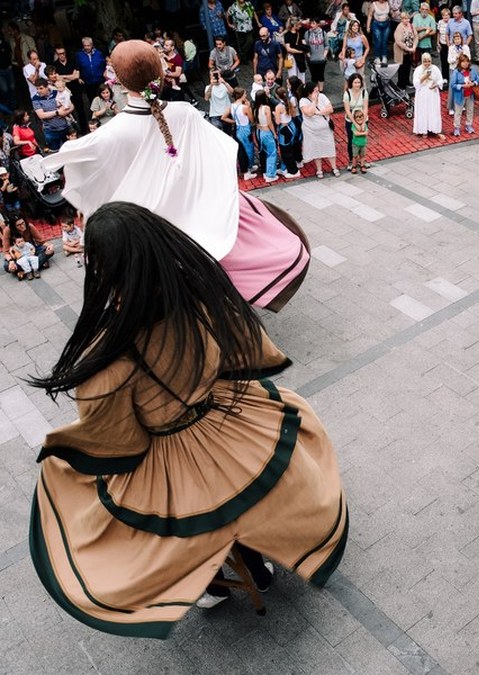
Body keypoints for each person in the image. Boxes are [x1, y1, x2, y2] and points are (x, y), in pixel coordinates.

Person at [28, 202, 348, 637]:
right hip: (224, 422)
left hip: (169, 449)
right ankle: (262, 557)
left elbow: (119, 442)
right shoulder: (204, 302)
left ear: (102, 269)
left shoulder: (108, 360)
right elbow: (243, 355)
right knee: (264, 464)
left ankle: (212, 582)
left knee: (100, 497)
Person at [42, 40, 310, 313]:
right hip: (193, 210)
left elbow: (76, 163)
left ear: (119, 82)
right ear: (159, 74)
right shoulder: (184, 112)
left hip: (150, 226)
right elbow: (218, 154)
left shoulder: (112, 132)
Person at [298, 81, 340, 178]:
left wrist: (318, 113)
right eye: (315, 91)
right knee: (317, 150)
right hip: (312, 131)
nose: (317, 93)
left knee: (329, 147)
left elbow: (330, 109)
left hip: (325, 129)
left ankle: (334, 167)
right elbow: (308, 113)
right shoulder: (303, 101)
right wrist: (313, 101)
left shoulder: (322, 97)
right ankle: (319, 169)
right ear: (309, 92)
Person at [222, 86, 257, 179]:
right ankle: (247, 171)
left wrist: (234, 121)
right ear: (241, 95)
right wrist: (249, 107)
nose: (246, 95)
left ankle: (247, 168)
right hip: (245, 130)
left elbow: (223, 117)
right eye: (245, 94)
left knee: (241, 149)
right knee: (248, 149)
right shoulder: (244, 107)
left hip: (237, 129)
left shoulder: (232, 106)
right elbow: (252, 119)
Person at [32, 78, 73, 152]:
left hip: (65, 127)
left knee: (70, 149)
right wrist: (57, 112)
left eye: (41, 88)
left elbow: (71, 106)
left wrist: (65, 112)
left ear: (47, 87)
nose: (39, 91)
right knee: (55, 152)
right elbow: (41, 115)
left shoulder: (57, 92)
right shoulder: (35, 99)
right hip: (51, 130)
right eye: (37, 89)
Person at [412, 52, 446, 138]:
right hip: (422, 93)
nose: (427, 63)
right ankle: (424, 130)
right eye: (425, 61)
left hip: (432, 93)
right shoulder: (418, 69)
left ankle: (434, 129)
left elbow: (440, 80)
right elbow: (416, 83)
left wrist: (436, 84)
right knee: (423, 111)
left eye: (429, 61)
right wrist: (425, 77)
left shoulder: (435, 68)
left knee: (433, 110)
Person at [450, 53, 479, 135]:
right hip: (460, 95)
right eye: (463, 61)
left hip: (470, 94)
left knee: (470, 111)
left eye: (467, 61)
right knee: (458, 112)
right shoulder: (456, 72)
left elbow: (478, 79)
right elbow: (452, 85)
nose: (465, 63)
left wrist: (473, 83)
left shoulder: (472, 70)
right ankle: (456, 127)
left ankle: (468, 125)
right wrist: (462, 86)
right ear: (460, 62)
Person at [343, 73, 369, 165]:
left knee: (362, 139)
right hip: (351, 120)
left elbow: (365, 107)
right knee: (352, 140)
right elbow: (347, 110)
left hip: (363, 119)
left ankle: (362, 160)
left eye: (359, 82)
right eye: (355, 82)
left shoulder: (364, 92)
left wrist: (362, 123)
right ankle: (352, 160)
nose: (357, 84)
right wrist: (355, 123)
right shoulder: (347, 93)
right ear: (351, 83)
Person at [394, 13, 419, 87]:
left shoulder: (411, 25)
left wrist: (414, 47)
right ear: (401, 19)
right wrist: (408, 48)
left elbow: (416, 36)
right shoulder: (399, 27)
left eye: (407, 18)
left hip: (410, 50)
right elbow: (398, 41)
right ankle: (401, 84)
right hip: (401, 51)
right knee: (401, 67)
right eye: (404, 19)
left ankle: (407, 81)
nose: (406, 20)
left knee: (408, 66)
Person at [305, 20, 328, 91]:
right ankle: (315, 89)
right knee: (313, 75)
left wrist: (324, 56)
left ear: (318, 24)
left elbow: (327, 45)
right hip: (312, 59)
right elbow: (306, 45)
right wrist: (308, 55)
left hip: (321, 58)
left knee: (321, 74)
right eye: (311, 23)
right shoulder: (308, 33)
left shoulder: (323, 33)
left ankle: (321, 90)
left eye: (314, 23)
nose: (312, 25)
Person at [368, 0, 393, 66]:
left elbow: (391, 13)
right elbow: (370, 15)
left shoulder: (388, 3)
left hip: (386, 24)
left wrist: (394, 13)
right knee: (378, 40)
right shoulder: (373, 4)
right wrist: (368, 27)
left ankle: (384, 56)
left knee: (384, 41)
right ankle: (377, 57)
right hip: (376, 24)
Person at [349, 108, 368, 173]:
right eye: (358, 118)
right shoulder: (354, 125)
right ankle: (354, 166)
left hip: (363, 143)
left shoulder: (364, 125)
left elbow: (366, 133)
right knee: (355, 156)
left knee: (362, 156)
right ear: (355, 119)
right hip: (356, 144)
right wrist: (363, 133)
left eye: (361, 118)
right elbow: (356, 133)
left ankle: (362, 165)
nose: (359, 120)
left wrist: (361, 133)